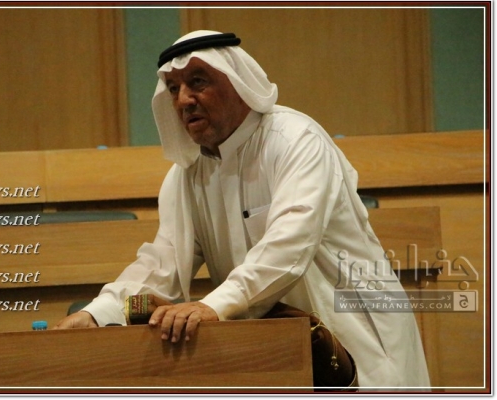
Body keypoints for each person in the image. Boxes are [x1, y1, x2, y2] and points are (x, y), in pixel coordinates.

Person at [55, 30, 430, 389]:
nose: (184, 100)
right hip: (277, 353)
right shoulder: (186, 176)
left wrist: (213, 306)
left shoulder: (294, 140)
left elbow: (289, 245)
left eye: (198, 82)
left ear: (238, 83)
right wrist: (99, 312)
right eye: (173, 88)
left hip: (358, 338)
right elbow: (161, 264)